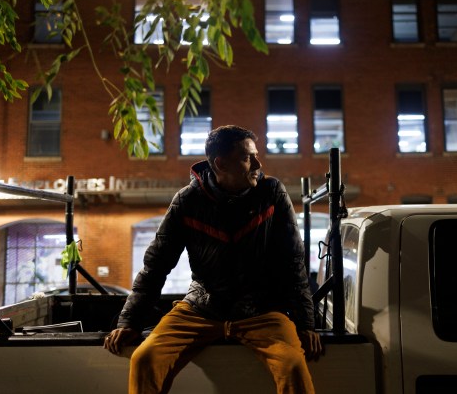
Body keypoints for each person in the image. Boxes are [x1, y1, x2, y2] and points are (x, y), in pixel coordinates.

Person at [104, 125, 323, 393]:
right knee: (144, 359)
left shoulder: (271, 192)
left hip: (261, 311)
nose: (258, 163)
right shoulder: (187, 201)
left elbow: (293, 261)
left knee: (293, 367)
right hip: (201, 308)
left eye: (256, 155)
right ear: (221, 163)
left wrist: (306, 324)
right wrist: (130, 322)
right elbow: (156, 265)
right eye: (247, 157)